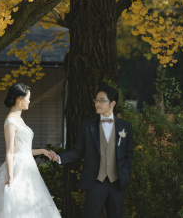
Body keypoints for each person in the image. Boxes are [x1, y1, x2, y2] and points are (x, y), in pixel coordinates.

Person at [0, 83, 61, 217]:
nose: (29, 101)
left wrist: (42, 151)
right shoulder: (10, 121)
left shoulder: (19, 119)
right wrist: (10, 177)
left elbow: (23, 150)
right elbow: (10, 151)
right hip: (18, 168)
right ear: (20, 99)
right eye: (28, 98)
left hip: (28, 168)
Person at [49, 84, 134, 218]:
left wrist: (125, 174)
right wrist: (59, 158)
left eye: (102, 100)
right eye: (96, 100)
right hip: (95, 182)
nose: (97, 104)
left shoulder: (125, 126)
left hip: (117, 184)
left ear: (112, 103)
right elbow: (77, 151)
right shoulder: (88, 125)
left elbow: (128, 154)